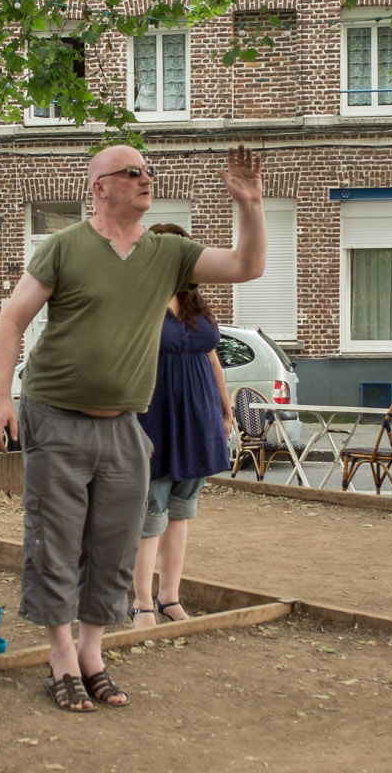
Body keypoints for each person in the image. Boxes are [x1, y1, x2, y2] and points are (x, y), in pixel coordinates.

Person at [0, 145, 266, 713]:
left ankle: (93, 654)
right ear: (99, 187)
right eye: (132, 172)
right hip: (56, 415)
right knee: (56, 541)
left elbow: (245, 267)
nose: (146, 179)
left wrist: (252, 206)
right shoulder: (64, 248)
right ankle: (60, 657)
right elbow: (12, 318)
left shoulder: (167, 253)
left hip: (126, 427)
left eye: (149, 171)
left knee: (114, 545)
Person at [129, 224, 233, 631]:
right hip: (153, 418)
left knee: (181, 512)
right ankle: (140, 603)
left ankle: (169, 596)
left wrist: (225, 411)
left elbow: (212, 360)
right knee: (150, 512)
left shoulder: (196, 304)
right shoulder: (136, 302)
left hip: (198, 418)